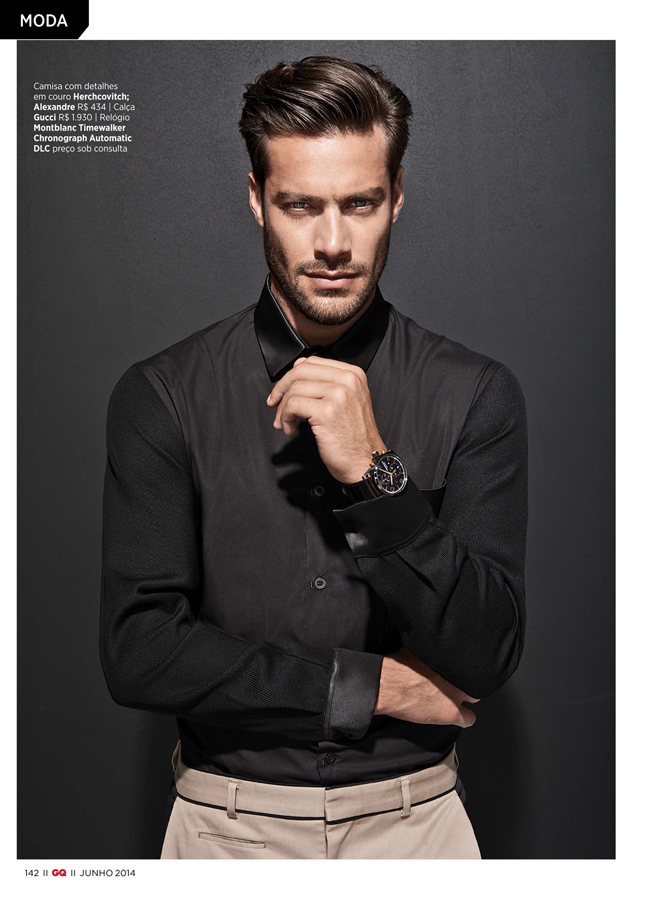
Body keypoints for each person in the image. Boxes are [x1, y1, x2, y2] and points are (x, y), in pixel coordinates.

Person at [100, 55, 528, 860]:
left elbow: (487, 651)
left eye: (359, 204)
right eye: (300, 206)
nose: (333, 243)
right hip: (223, 831)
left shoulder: (474, 392)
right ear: (256, 198)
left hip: (417, 831)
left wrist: (376, 473)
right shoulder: (163, 394)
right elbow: (141, 652)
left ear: (395, 195)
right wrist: (366, 687)